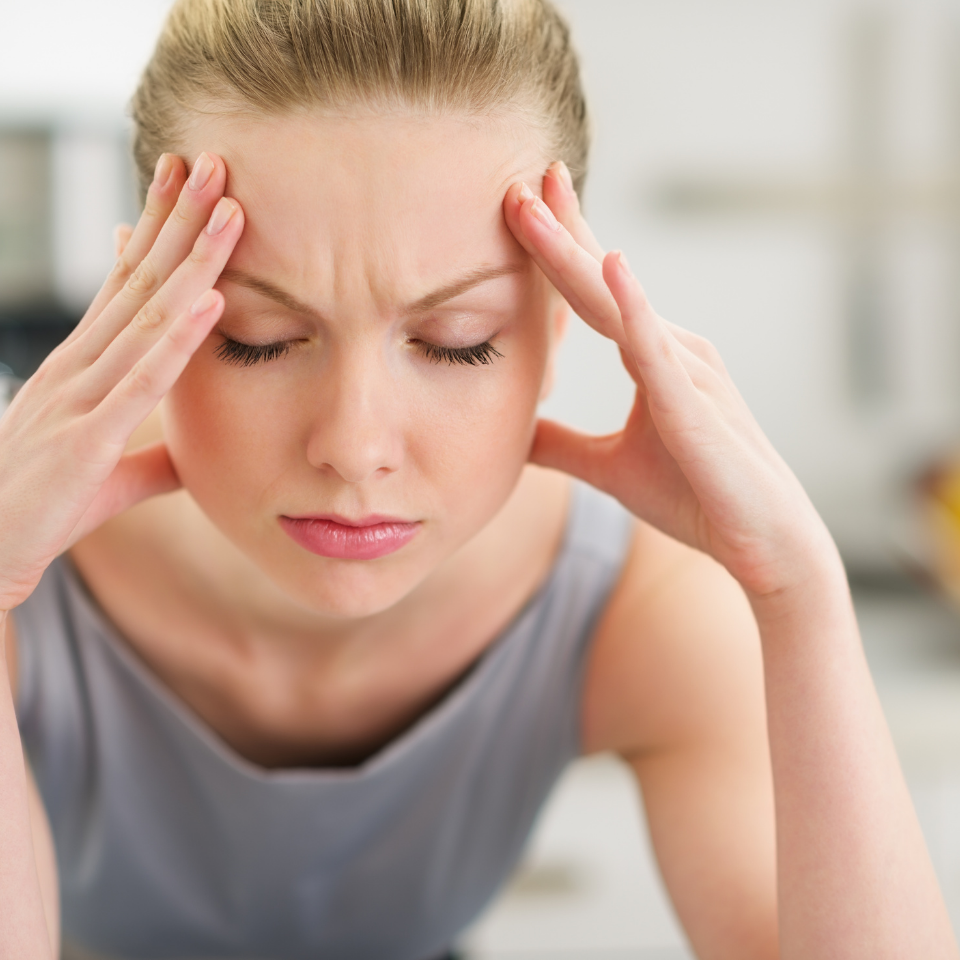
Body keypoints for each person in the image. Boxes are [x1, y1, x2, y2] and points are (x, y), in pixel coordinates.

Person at [0, 1, 955, 957]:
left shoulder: (628, 601)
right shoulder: (22, 559)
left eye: (456, 344)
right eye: (260, 340)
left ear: (559, 319)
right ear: (131, 301)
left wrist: (801, 591)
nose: (356, 445)